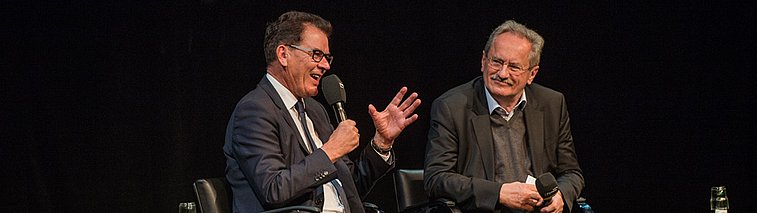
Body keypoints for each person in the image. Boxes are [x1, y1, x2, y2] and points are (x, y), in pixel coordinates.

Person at [224, 11, 421, 213]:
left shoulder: (314, 109)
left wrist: (381, 143)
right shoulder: (254, 110)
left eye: (327, 57)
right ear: (283, 54)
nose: (325, 65)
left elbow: (351, 187)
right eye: (316, 55)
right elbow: (274, 189)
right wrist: (331, 150)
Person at [424, 20, 584, 213]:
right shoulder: (451, 107)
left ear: (532, 74)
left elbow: (572, 173)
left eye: (514, 67)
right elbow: (436, 178)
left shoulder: (552, 103)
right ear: (483, 61)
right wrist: (499, 193)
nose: (502, 73)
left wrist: (560, 196)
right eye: (497, 62)